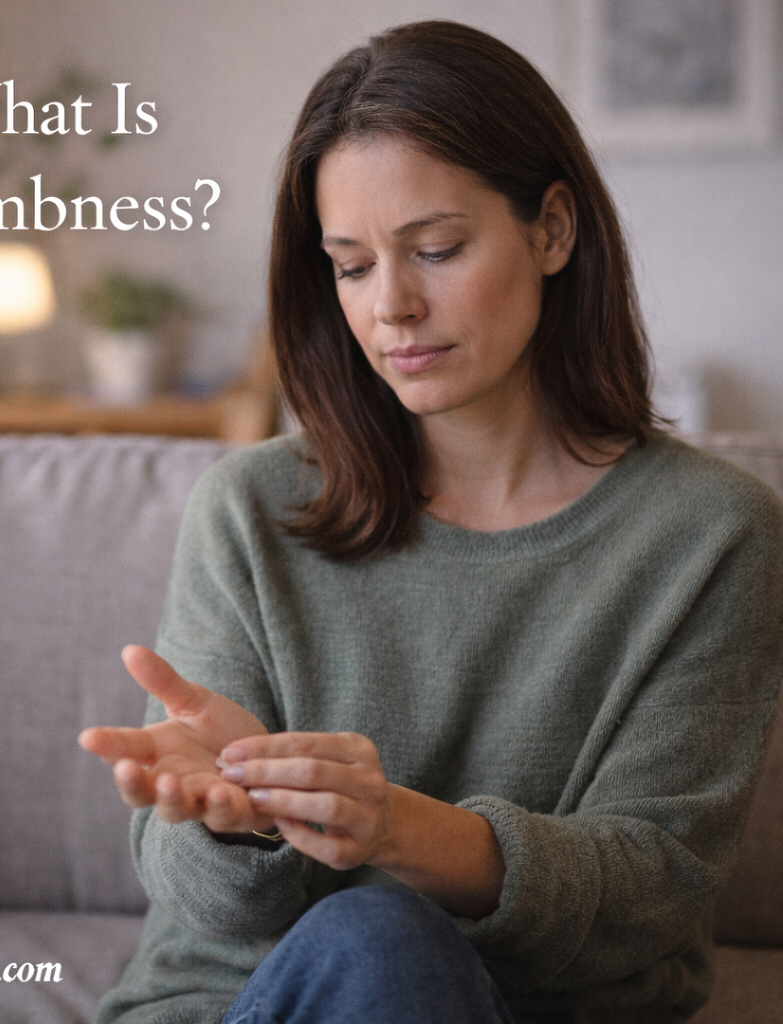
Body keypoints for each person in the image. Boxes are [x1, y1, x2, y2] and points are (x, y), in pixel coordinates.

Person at [80, 20, 783, 1024]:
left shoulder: (710, 536)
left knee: (386, 933)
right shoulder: (251, 510)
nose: (391, 308)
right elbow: (199, 907)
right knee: (370, 941)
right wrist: (243, 825)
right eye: (352, 265)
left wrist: (394, 829)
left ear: (552, 229)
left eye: (436, 249)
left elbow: (652, 884)